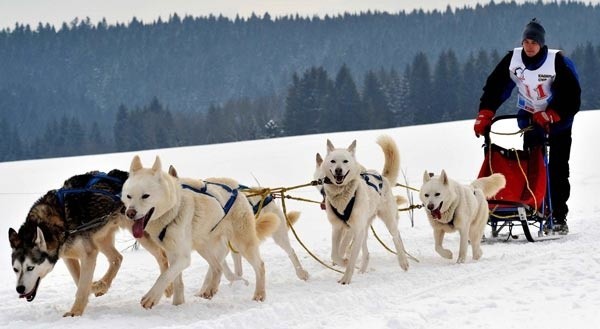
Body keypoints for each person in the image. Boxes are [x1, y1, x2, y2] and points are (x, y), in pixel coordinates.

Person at [473, 18, 581, 235]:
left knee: (558, 169)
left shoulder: (556, 62)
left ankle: (558, 215)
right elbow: (496, 86)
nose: (529, 46)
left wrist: (552, 114)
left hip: (559, 121)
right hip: (531, 119)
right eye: (526, 42)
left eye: (534, 42)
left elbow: (572, 97)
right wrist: (485, 113)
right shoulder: (513, 61)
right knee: (533, 165)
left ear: (541, 44)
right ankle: (534, 206)